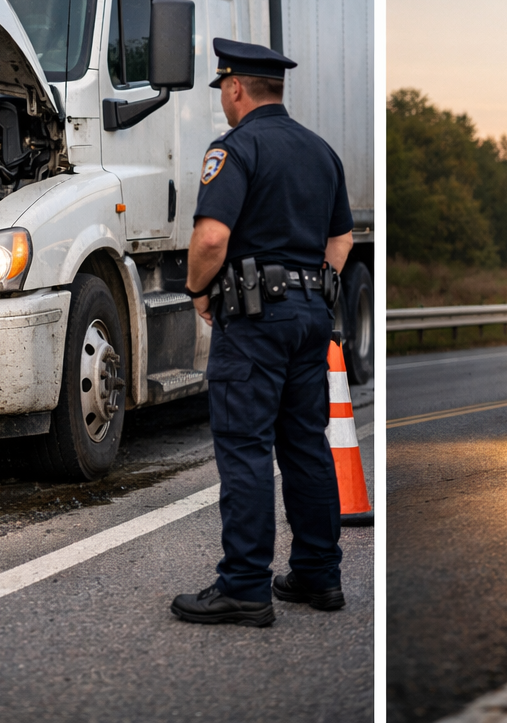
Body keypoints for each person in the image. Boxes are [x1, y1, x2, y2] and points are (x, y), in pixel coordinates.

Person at [171, 39, 355, 627]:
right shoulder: (322, 152)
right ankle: (319, 575)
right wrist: (309, 285)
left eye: (224, 91)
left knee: (246, 448)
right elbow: (342, 241)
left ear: (235, 88)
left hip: (253, 322)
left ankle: (245, 586)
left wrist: (199, 290)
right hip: (310, 317)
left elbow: (211, 240)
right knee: (305, 444)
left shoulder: (235, 148)